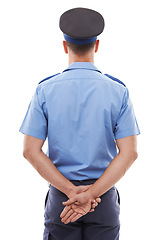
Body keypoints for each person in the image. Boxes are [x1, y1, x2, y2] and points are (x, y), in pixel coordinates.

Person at [19, 7, 140, 240]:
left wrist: (72, 192)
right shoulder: (118, 91)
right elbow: (130, 153)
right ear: (96, 45)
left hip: (62, 199)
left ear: (65, 46)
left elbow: (30, 150)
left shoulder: (45, 90)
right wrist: (91, 194)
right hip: (102, 199)